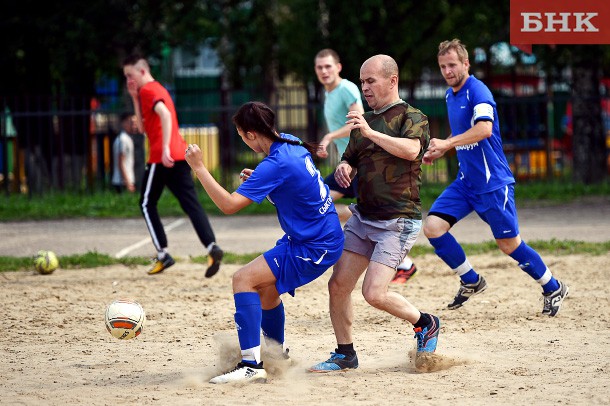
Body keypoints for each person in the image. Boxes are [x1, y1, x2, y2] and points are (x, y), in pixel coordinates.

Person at [184, 101, 344, 384]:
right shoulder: (290, 142)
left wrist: (199, 168)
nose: (244, 142)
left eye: (242, 136)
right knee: (266, 291)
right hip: (315, 237)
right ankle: (276, 356)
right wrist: (261, 182)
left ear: (251, 134)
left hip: (315, 245)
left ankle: (251, 366)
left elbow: (229, 205)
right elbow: (293, 187)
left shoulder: (276, 163)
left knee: (242, 279)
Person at [309, 55, 439, 373]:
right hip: (363, 217)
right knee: (338, 285)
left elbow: (411, 151)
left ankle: (426, 323)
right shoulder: (362, 123)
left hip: (398, 220)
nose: (365, 87)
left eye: (371, 81)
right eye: (362, 81)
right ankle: (345, 354)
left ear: (391, 81)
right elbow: (351, 159)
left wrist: (370, 133)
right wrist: (343, 166)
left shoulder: (413, 116)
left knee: (373, 293)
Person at [422, 39, 569, 316]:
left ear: (466, 64)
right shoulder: (450, 95)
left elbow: (484, 129)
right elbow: (463, 132)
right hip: (466, 183)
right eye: (443, 66)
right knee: (432, 226)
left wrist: (447, 144)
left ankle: (552, 286)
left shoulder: (478, 90)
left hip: (492, 184)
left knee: (509, 244)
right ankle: (470, 280)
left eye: (452, 64)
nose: (447, 71)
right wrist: (441, 148)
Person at [314, 48, 417, 285]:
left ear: (338, 67)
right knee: (322, 202)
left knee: (340, 207)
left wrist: (329, 137)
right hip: (347, 165)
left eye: (328, 66)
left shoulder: (347, 88)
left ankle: (403, 262)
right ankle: (403, 262)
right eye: (320, 67)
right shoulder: (329, 94)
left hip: (361, 165)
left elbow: (358, 121)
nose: (324, 71)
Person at [122, 55, 223, 277]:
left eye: (129, 75)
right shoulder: (153, 90)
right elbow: (143, 126)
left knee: (147, 203)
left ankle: (163, 253)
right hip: (179, 156)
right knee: (191, 204)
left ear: (141, 71)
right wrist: (133, 97)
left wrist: (165, 147)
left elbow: (165, 116)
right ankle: (211, 247)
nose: (128, 80)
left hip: (162, 157)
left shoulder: (149, 90)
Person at [111, 112, 136, 194]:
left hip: (125, 180)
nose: (133, 125)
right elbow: (120, 162)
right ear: (123, 123)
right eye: (130, 122)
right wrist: (128, 182)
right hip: (122, 182)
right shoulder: (123, 139)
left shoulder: (126, 138)